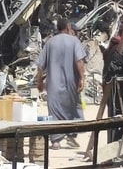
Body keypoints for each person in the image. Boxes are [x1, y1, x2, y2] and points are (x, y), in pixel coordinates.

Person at [35, 18, 87, 150]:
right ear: (68, 27)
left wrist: (40, 81)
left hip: (53, 85)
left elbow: (41, 65)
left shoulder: (50, 42)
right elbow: (79, 62)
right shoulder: (74, 41)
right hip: (71, 83)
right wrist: (82, 78)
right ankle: (71, 135)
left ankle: (56, 141)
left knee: (54, 111)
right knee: (73, 108)